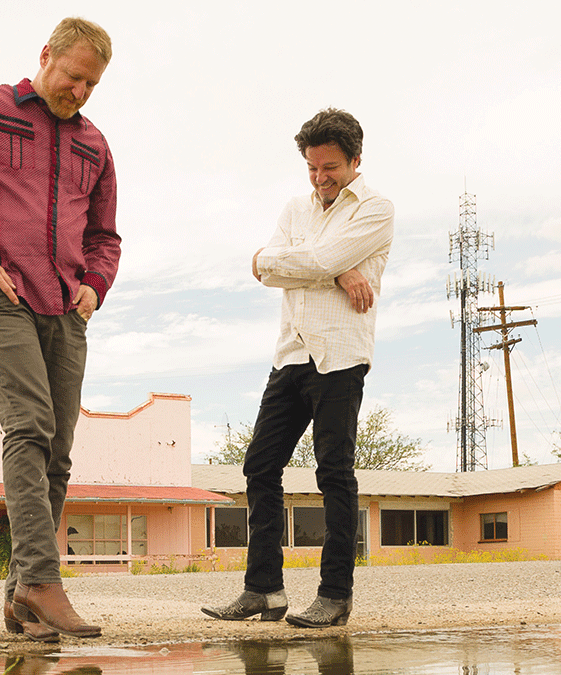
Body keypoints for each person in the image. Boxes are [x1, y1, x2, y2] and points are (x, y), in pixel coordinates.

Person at [0, 17, 121, 642]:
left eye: (92, 83)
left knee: (57, 452)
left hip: (66, 309)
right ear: (46, 56)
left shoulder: (96, 145)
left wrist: (95, 285)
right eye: (72, 76)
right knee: (29, 427)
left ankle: (22, 599)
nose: (80, 91)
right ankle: (40, 578)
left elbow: (104, 236)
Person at [202, 108, 393, 628]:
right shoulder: (295, 208)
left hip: (340, 356)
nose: (319, 177)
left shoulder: (377, 209)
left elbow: (292, 263)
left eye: (329, 167)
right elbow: (265, 268)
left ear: (356, 160)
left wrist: (319, 262)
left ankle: (335, 596)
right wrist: (337, 267)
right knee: (259, 467)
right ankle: (264, 591)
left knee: (333, 473)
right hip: (291, 354)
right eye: (311, 167)